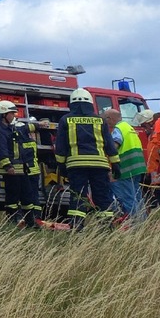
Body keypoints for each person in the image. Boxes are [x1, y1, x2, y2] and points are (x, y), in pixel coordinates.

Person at [54, 88, 119, 231]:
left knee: (78, 196)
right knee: (102, 196)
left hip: (76, 165)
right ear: (90, 103)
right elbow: (109, 143)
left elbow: (60, 146)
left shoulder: (65, 120)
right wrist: (116, 164)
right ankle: (106, 228)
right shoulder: (100, 120)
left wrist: (61, 165)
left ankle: (77, 227)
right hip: (99, 165)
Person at [0, 100, 40, 228]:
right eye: (11, 113)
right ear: (3, 114)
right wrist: (8, 166)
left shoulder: (8, 127)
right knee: (13, 197)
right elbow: (1, 149)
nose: (14, 115)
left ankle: (30, 222)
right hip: (11, 169)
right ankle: (12, 221)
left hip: (20, 168)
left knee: (27, 195)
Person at [103, 108, 146, 222]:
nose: (105, 122)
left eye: (105, 119)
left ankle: (135, 225)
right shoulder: (128, 127)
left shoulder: (118, 129)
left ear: (110, 119)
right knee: (137, 197)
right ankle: (142, 222)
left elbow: (114, 147)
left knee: (128, 197)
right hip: (137, 167)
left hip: (125, 168)